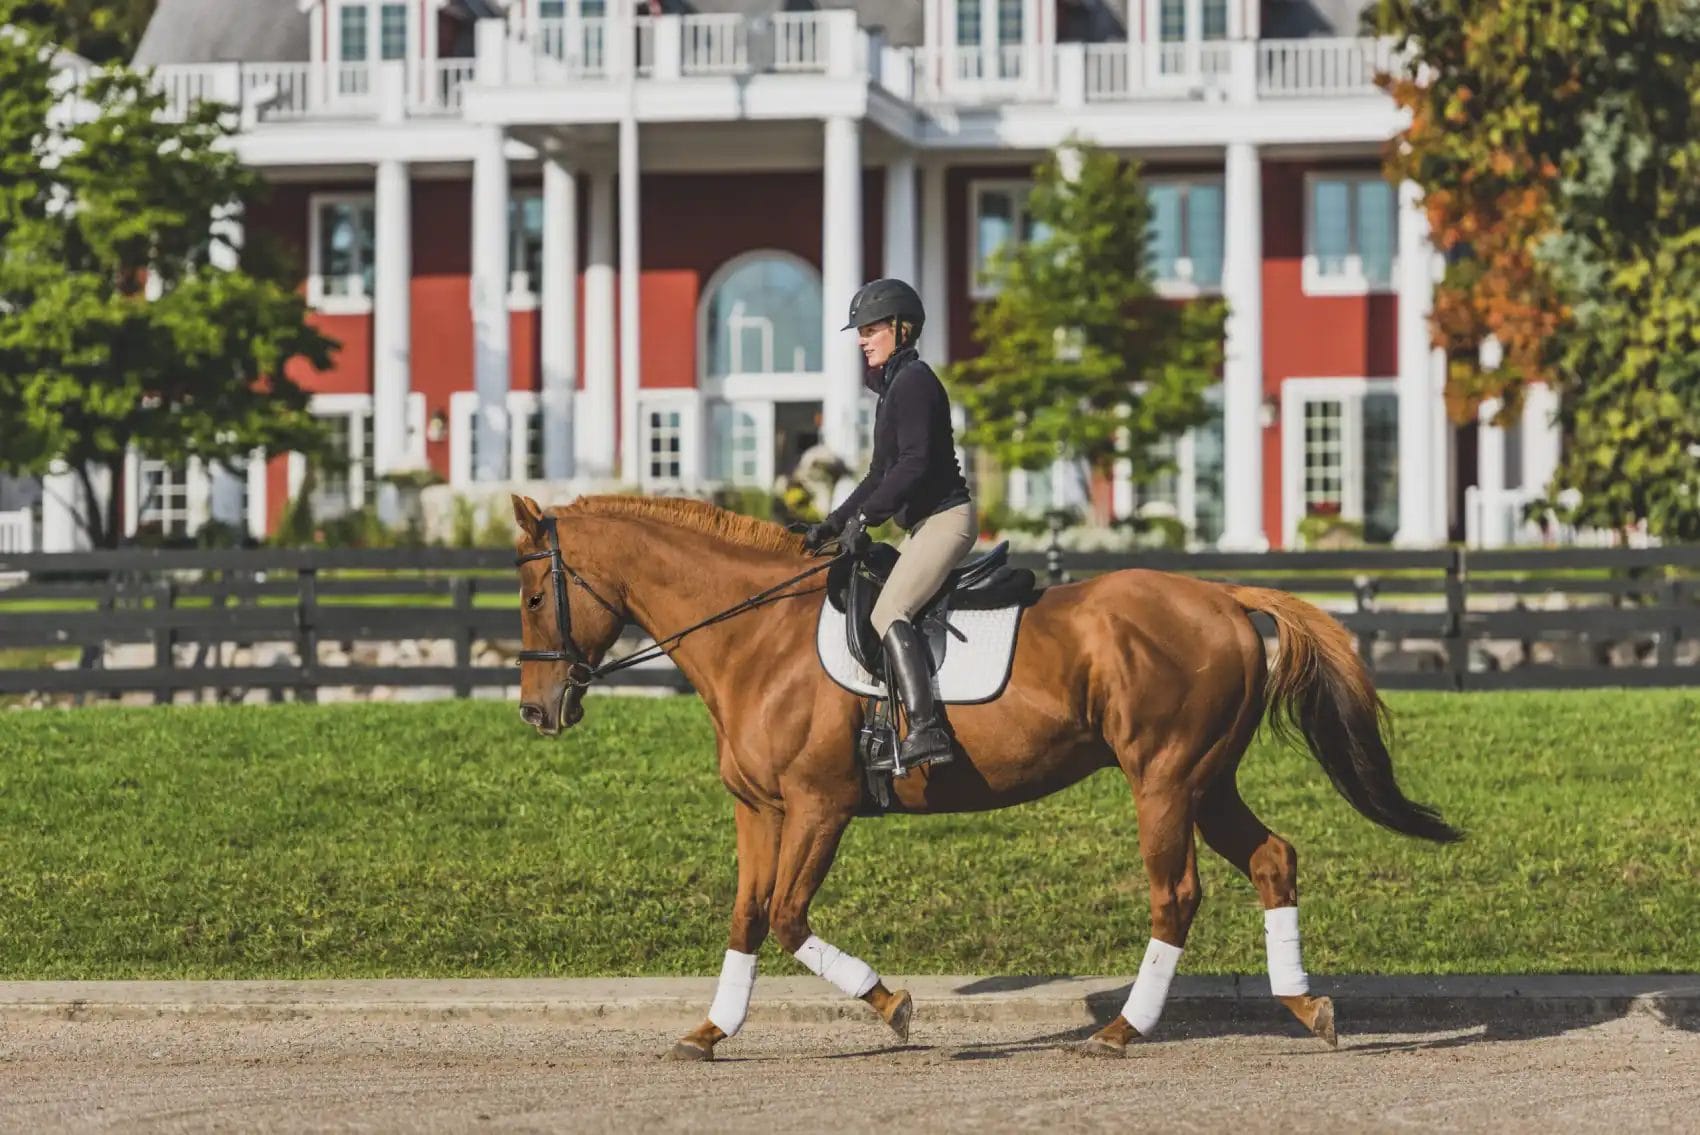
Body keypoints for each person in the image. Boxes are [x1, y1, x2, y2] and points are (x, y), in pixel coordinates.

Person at [803, 278, 975, 770]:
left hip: (947, 521)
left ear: (902, 330)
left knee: (888, 610)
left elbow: (915, 463)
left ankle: (926, 730)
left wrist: (868, 517)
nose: (861, 338)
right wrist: (834, 523)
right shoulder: (895, 388)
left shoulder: (915, 382)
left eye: (871, 328)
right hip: (925, 525)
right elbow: (879, 473)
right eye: (860, 330)